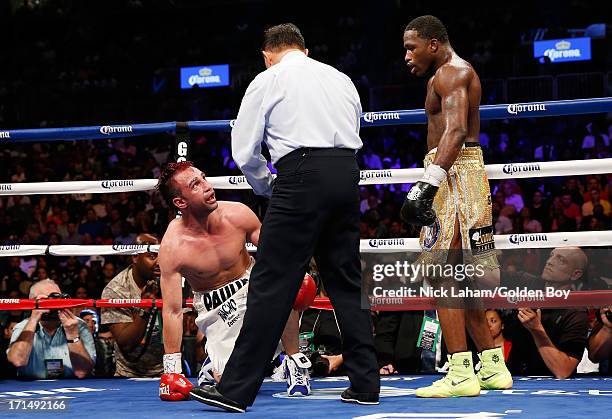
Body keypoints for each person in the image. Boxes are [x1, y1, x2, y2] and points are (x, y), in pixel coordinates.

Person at [189, 23, 380, 412]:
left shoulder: (269, 79)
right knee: (345, 280)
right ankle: (365, 384)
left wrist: (266, 187)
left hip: (300, 175)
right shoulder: (340, 77)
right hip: (346, 172)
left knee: (271, 282)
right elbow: (355, 126)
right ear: (304, 49)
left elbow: (244, 151)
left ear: (267, 54)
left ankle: (235, 390)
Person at [400, 15, 512, 397]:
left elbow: (457, 130)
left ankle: (461, 373)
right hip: (457, 170)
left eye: (411, 47)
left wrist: (428, 184)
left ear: (433, 43)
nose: (407, 56)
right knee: (461, 275)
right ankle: (492, 366)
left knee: (443, 273)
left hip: (453, 171)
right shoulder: (448, 74)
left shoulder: (452, 73)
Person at [156, 161, 313, 403]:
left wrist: (299, 273)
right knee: (228, 382)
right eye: (195, 184)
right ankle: (215, 365)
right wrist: (171, 370)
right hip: (216, 306)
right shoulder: (174, 246)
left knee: (286, 279)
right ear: (180, 202)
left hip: (251, 282)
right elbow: (173, 310)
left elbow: (276, 253)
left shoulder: (237, 214)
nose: (208, 186)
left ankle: (294, 363)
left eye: (204, 177)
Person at [501, 247, 590, 378]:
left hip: (551, 387)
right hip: (514, 378)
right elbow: (488, 278)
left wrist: (537, 330)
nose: (549, 261)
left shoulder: (576, 313)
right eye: (551, 255)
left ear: (575, 274)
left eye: (561, 260)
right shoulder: (526, 282)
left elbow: (563, 370)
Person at [100, 234, 164, 378]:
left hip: (168, 371)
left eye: (162, 255)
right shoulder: (116, 289)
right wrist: (144, 308)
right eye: (152, 257)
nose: (160, 262)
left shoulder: (173, 281)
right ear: (135, 257)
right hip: (129, 375)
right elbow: (126, 343)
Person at [6, 279, 96, 379]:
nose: (55, 304)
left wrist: (72, 334)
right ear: (34, 302)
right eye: (49, 300)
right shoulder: (23, 327)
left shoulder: (78, 325)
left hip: (72, 386)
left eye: (58, 298)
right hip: (33, 387)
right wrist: (33, 319)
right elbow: (17, 361)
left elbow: (82, 372)